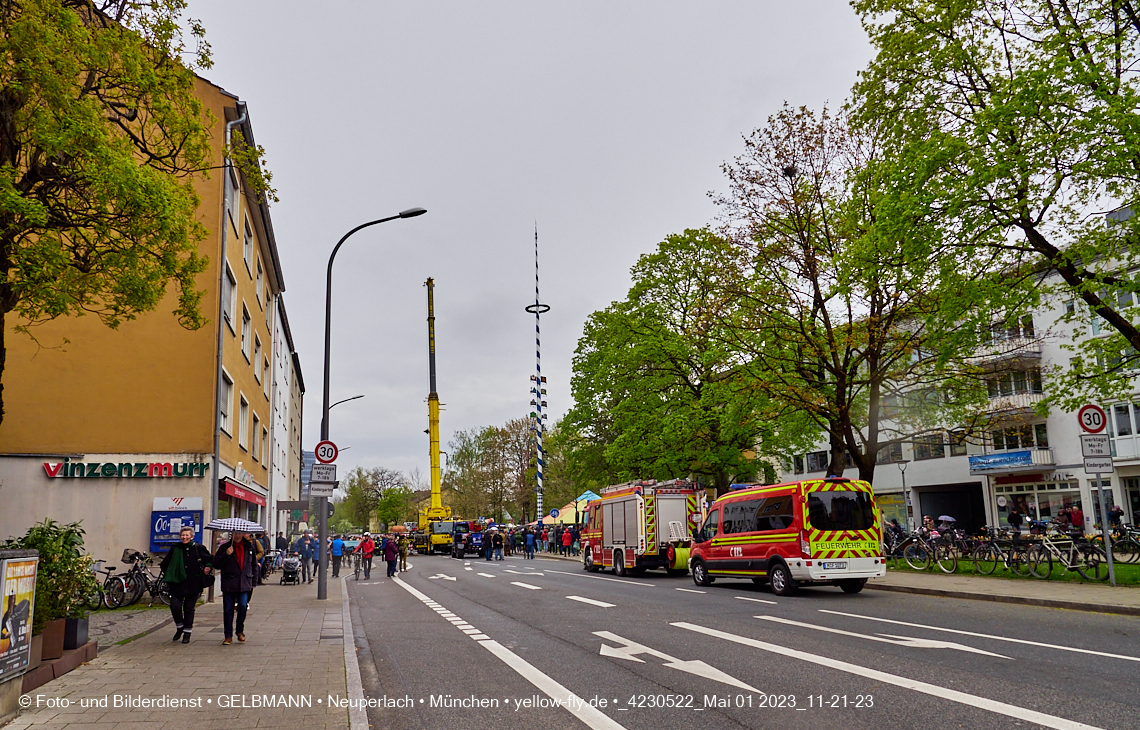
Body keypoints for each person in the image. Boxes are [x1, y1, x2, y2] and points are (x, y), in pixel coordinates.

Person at [160, 526, 213, 644]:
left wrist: (208, 567)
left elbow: (210, 560)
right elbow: (165, 564)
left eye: (187, 535)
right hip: (177, 583)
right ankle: (180, 626)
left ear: (192, 536)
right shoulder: (175, 548)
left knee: (189, 608)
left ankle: (187, 632)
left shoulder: (198, 548)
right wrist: (170, 574)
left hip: (193, 583)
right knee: (175, 606)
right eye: (183, 535)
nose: (184, 537)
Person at [214, 531, 258, 645]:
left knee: (243, 606)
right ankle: (228, 636)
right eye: (235, 533)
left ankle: (240, 631)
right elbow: (216, 564)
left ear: (243, 534)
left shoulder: (249, 547)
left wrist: (254, 580)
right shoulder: (225, 547)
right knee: (228, 610)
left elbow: (253, 564)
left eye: (239, 533)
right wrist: (226, 554)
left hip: (244, 582)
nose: (237, 536)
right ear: (231, 534)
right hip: (229, 583)